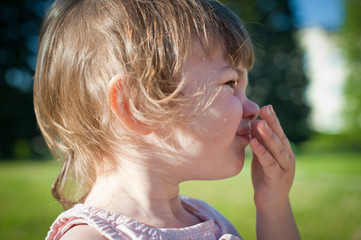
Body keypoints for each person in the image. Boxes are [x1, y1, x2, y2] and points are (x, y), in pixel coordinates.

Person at [34, 0, 301, 239]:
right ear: (136, 106)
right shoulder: (89, 237)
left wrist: (273, 206)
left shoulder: (211, 221)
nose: (253, 107)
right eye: (230, 82)